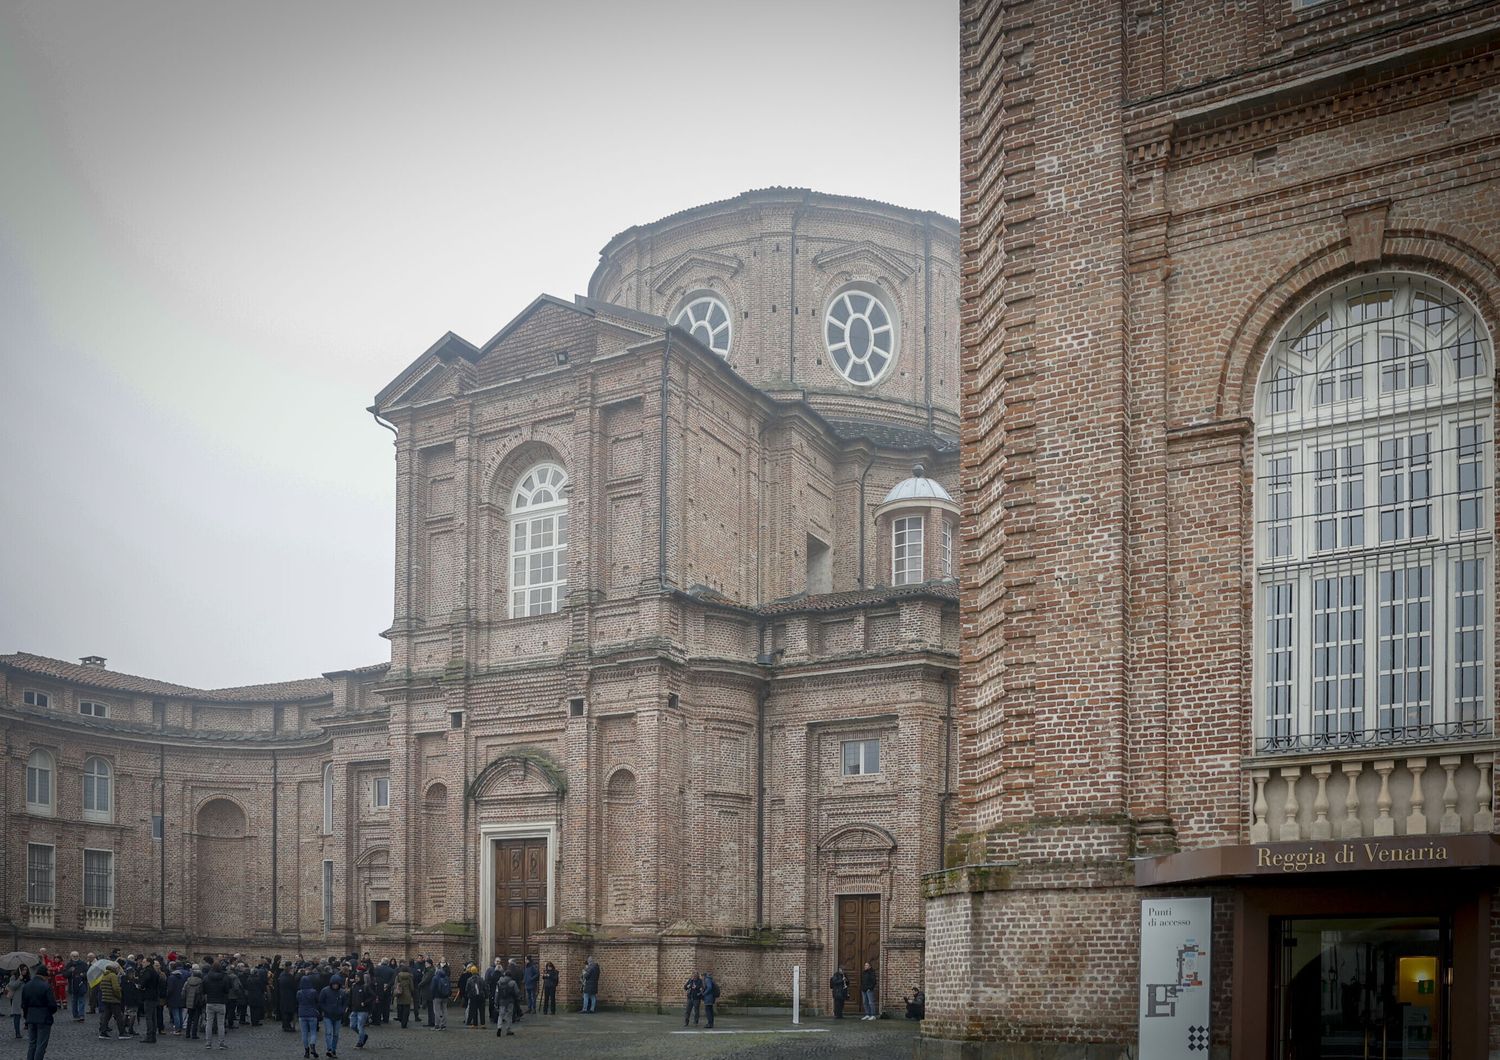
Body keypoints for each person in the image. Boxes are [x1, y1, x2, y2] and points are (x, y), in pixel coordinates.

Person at [21, 963, 58, 1060]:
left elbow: (24, 1004)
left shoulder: (27, 985)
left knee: (32, 1044)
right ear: (45, 975)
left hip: (30, 1017)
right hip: (44, 1018)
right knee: (41, 1045)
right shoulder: (46, 986)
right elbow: (52, 1005)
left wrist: (26, 1016)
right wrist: (50, 1013)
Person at [201, 960, 230, 1049]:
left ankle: (208, 1043)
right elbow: (227, 990)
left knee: (209, 1023)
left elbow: (203, 990)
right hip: (221, 1002)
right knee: (220, 1024)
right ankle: (221, 1043)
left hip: (210, 1002)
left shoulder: (206, 977)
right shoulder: (224, 977)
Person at [317, 974, 347, 1059]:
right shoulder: (325, 991)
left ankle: (333, 1049)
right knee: (329, 1033)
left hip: (338, 1016)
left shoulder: (342, 992)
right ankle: (329, 1049)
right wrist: (326, 1009)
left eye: (337, 984)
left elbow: (345, 1002)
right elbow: (321, 1002)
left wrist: (342, 1010)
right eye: (334, 984)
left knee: (336, 1034)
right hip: (328, 1015)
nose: (335, 985)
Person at [97, 961, 127, 1039]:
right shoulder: (113, 976)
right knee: (119, 1016)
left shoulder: (104, 975)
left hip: (106, 999)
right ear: (114, 968)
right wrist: (119, 996)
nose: (118, 969)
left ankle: (103, 1032)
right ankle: (122, 1033)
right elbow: (116, 988)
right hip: (113, 999)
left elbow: (101, 987)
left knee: (106, 1016)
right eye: (117, 968)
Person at [296, 975, 320, 1059]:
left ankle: (306, 1051)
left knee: (304, 1033)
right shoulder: (313, 992)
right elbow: (317, 1000)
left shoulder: (299, 992)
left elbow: (298, 1000)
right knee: (313, 1032)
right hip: (312, 1013)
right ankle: (312, 1044)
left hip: (302, 1014)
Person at [349, 973, 374, 1049]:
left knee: (360, 1026)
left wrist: (365, 1003)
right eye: (355, 976)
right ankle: (363, 1036)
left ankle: (360, 1042)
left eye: (357, 977)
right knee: (352, 1026)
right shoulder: (353, 986)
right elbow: (350, 997)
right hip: (354, 1009)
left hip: (363, 1010)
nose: (356, 978)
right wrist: (348, 1006)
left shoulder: (365, 986)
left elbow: (373, 996)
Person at [491, 972, 519, 1037]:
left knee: (501, 1015)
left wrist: (495, 1001)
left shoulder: (499, 982)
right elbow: (517, 992)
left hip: (502, 1001)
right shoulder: (513, 982)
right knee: (509, 1015)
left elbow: (497, 993)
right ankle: (508, 1029)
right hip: (510, 1001)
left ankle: (499, 1027)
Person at [3, 968, 27, 1039]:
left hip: (26, 999)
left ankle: (28, 1026)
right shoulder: (14, 977)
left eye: (26, 969)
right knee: (17, 1015)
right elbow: (12, 986)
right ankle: (17, 1033)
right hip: (17, 998)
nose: (25, 971)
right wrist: (19, 979)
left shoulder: (27, 977)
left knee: (28, 1014)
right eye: (23, 969)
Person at [183, 965, 204, 1040]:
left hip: (189, 1002)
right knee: (196, 1019)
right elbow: (202, 993)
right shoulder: (201, 983)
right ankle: (194, 1034)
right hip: (197, 1002)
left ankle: (187, 1033)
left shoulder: (187, 982)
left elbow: (183, 992)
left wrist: (185, 999)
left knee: (189, 1017)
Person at [64, 954, 87, 1023]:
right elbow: (64, 974)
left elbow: (88, 973)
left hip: (81, 985)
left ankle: (81, 1015)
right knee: (74, 1002)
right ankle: (75, 1015)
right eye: (74, 956)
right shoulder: (69, 964)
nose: (75, 957)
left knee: (81, 1001)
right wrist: (70, 971)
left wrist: (83, 975)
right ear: (71, 957)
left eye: (76, 956)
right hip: (73, 986)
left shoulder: (83, 964)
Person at [277, 966, 297, 1033]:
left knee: (284, 1011)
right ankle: (287, 1026)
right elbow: (294, 987)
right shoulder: (290, 978)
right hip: (290, 997)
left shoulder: (282, 977)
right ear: (290, 970)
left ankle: (285, 1025)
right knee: (288, 1013)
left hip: (283, 996)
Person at [393, 965, 413, 1029]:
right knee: (406, 1010)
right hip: (407, 994)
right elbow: (412, 987)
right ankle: (404, 1023)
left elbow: (395, 985)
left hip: (400, 994)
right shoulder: (410, 976)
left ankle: (401, 1019)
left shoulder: (398, 976)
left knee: (400, 1008)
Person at [429, 965, 448, 1030]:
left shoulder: (435, 978)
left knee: (437, 1011)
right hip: (445, 996)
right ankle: (443, 1025)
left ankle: (437, 1025)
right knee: (444, 1010)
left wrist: (432, 996)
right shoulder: (446, 977)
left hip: (437, 996)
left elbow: (432, 988)